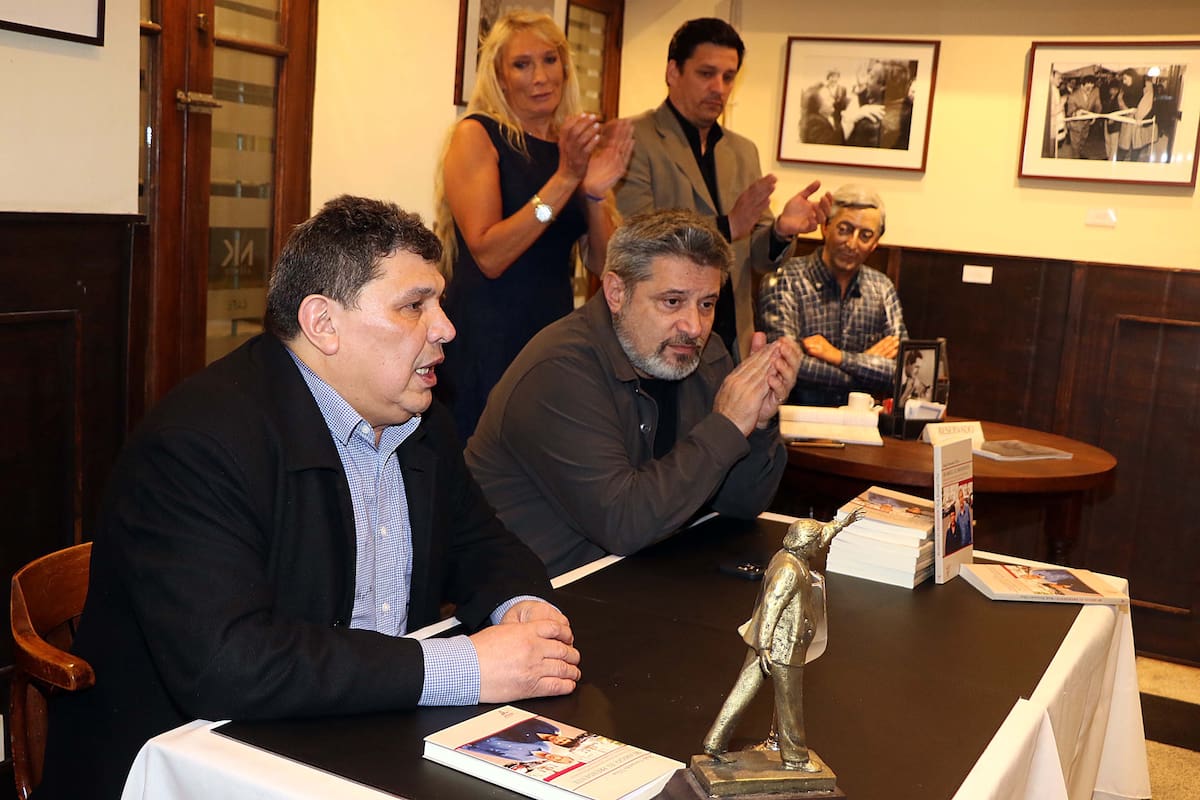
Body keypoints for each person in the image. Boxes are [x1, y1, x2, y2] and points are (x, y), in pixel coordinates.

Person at [39, 196, 581, 800]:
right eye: (413, 307)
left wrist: (520, 606)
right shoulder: (197, 443)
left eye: (439, 303)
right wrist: (464, 668)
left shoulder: (420, 419)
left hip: (362, 727)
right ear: (323, 323)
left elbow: (479, 541)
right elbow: (228, 664)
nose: (446, 328)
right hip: (193, 757)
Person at [466, 209, 800, 576]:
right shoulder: (558, 372)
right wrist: (726, 425)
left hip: (645, 577)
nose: (694, 326)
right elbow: (625, 524)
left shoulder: (703, 355)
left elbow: (738, 503)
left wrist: (758, 424)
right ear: (616, 293)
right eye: (672, 302)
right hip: (541, 599)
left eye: (707, 304)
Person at [434, 10, 634, 441]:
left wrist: (596, 193)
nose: (540, 76)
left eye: (549, 60)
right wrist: (564, 179)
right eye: (522, 65)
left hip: (549, 332)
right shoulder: (478, 135)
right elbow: (489, 255)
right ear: (501, 78)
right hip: (484, 334)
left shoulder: (571, 144)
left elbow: (603, 261)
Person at [614, 17, 832, 361]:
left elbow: (756, 256)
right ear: (673, 72)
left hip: (730, 338)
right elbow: (633, 242)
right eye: (706, 73)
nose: (719, 87)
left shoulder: (742, 151)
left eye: (728, 77)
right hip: (661, 338)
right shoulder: (632, 137)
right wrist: (727, 226)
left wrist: (780, 231)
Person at [702, 510, 864, 772]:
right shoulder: (789, 570)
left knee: (742, 692)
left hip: (766, 643)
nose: (818, 547)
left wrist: (840, 524)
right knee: (790, 704)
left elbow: (821, 535)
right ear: (804, 544)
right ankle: (796, 758)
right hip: (782, 647)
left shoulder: (787, 555)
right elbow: (771, 606)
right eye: (814, 544)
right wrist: (766, 645)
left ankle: (714, 742)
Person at [757, 184, 906, 407]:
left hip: (864, 425)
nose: (852, 243)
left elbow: (903, 372)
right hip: (794, 421)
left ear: (875, 243)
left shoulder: (882, 288)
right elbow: (786, 363)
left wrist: (838, 356)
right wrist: (865, 372)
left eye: (865, 235)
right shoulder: (784, 279)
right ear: (825, 227)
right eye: (844, 229)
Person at [1064, 74, 1100, 159]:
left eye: (1092, 88)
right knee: (1075, 145)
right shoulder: (1073, 96)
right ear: (1082, 85)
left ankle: (1080, 154)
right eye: (1087, 88)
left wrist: (1095, 115)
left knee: (1083, 141)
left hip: (1086, 123)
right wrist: (1076, 113)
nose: (1090, 91)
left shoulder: (1094, 92)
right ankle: (1076, 160)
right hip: (1075, 124)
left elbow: (1098, 105)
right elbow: (1070, 113)